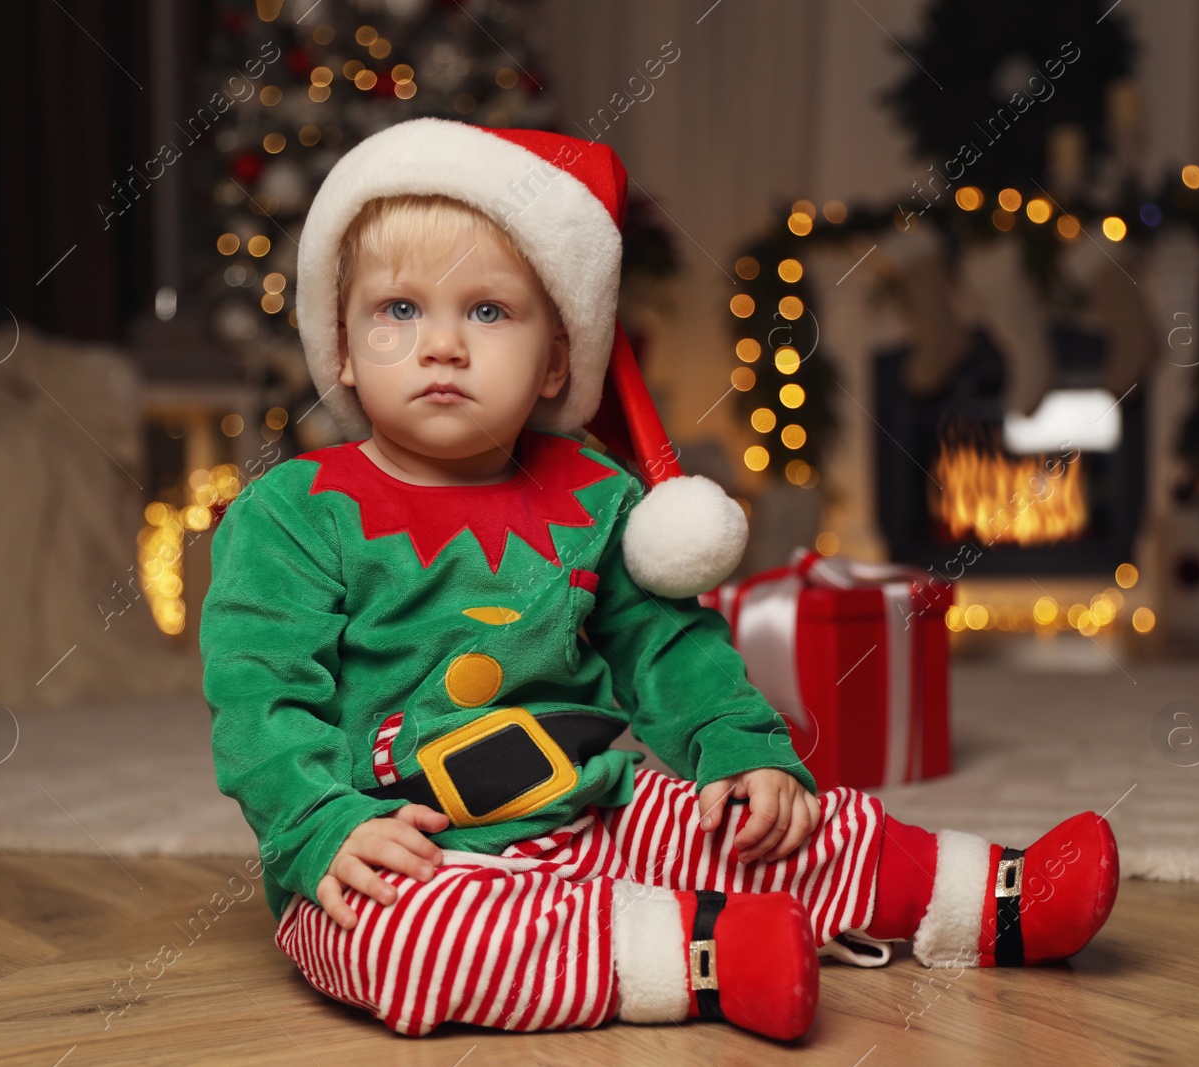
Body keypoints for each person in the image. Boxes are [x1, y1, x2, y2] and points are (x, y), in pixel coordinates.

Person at [199, 117, 1119, 1041]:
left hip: (598, 809)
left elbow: (669, 646)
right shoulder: (293, 511)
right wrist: (320, 821)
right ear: (344, 346)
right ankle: (706, 953)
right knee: (411, 947)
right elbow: (259, 698)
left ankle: (992, 896)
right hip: (397, 849)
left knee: (768, 822)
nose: (441, 344)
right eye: (399, 310)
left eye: (488, 311)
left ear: (558, 357)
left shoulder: (596, 495)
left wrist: (741, 749)